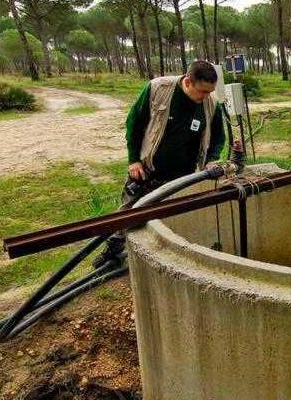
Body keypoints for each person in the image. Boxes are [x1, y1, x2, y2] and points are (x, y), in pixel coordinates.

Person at [92, 61, 225, 269]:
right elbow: (134, 124)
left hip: (181, 178)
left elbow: (218, 137)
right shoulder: (158, 89)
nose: (206, 97)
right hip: (147, 171)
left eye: (210, 92)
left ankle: (164, 260)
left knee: (170, 223)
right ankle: (112, 252)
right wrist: (133, 159)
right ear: (188, 82)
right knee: (127, 214)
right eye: (203, 92)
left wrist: (211, 159)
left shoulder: (211, 104)